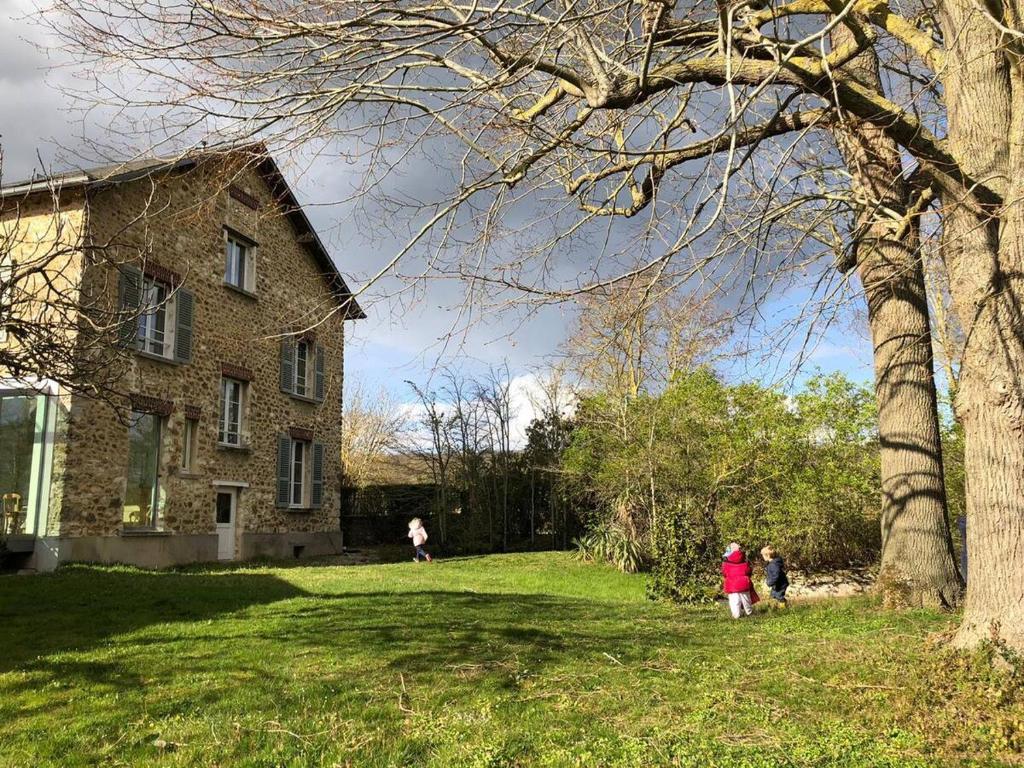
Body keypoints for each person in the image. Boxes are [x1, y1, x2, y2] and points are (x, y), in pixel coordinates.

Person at [721, 542, 756, 619]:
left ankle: (736, 615)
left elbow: (724, 573)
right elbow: (749, 572)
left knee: (734, 602)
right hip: (744, 583)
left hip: (732, 585)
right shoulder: (745, 562)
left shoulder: (725, 564)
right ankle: (749, 613)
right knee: (746, 600)